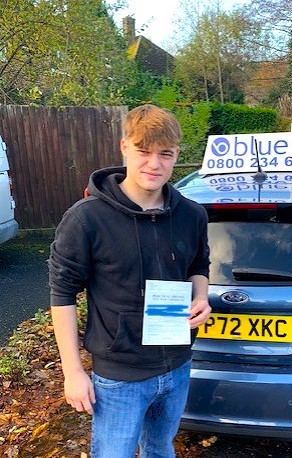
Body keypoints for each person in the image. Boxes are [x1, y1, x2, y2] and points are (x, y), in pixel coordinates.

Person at [49, 104, 211, 458]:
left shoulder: (192, 215)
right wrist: (73, 373)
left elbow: (199, 264)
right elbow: (61, 294)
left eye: (165, 154)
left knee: (159, 449)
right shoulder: (87, 219)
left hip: (178, 364)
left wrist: (202, 296)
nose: (154, 164)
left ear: (176, 155)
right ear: (124, 148)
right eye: (143, 151)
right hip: (120, 376)